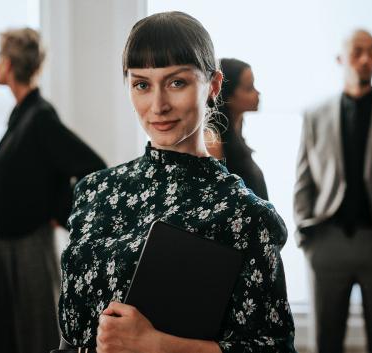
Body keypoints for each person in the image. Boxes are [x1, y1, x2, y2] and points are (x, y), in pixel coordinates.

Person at [57, 11, 296, 353]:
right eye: (142, 84)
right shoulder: (94, 191)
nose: (158, 106)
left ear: (213, 85)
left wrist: (156, 345)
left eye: (177, 82)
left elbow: (276, 348)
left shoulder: (244, 214)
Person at [294, 29, 372, 353]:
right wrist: (306, 234)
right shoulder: (315, 115)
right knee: (326, 342)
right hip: (327, 242)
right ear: (340, 59)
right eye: (358, 52)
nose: (366, 60)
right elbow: (303, 181)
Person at [0, 28, 106, 353]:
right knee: (4, 334)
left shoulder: (39, 115)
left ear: (9, 64)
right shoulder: (21, 115)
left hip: (30, 243)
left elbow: (92, 167)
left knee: (37, 335)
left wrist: (60, 212)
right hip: (7, 241)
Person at [208, 58, 268, 200]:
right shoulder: (213, 141)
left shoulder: (237, 131)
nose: (257, 93)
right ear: (228, 95)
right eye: (249, 88)